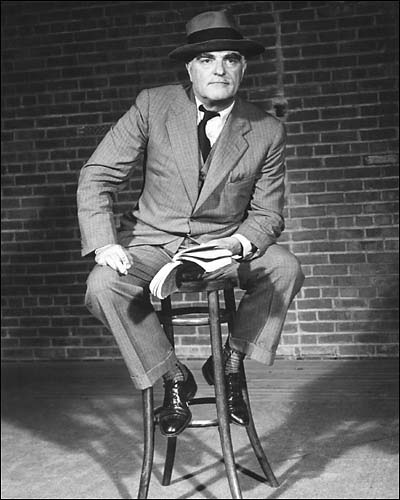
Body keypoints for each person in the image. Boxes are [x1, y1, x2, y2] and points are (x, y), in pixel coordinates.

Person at [77, 10, 304, 437]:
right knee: (102, 286)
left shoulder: (267, 130)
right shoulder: (153, 104)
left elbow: (268, 214)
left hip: (223, 247)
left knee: (284, 267)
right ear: (189, 68)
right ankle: (174, 376)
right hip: (154, 244)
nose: (219, 70)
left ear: (243, 67)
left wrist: (235, 245)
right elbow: (98, 174)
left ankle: (229, 365)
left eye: (230, 59)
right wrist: (105, 243)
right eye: (206, 59)